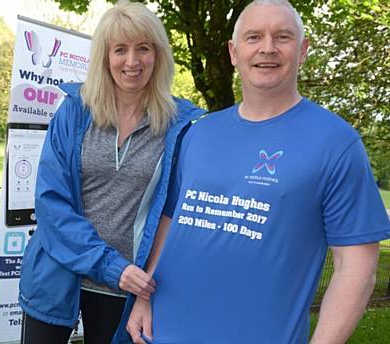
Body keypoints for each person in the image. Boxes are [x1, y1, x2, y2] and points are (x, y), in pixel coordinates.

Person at [120, 1, 390, 343]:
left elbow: (357, 267)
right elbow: (171, 221)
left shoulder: (335, 142)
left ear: (303, 50)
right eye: (253, 37)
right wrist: (145, 297)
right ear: (234, 52)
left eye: (282, 37)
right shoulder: (198, 132)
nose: (267, 48)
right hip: (165, 332)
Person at [18, 2, 205, 343]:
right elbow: (51, 204)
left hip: (128, 291)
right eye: (120, 50)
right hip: (57, 274)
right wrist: (112, 267)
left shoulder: (178, 125)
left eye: (143, 49)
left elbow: (171, 215)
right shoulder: (75, 111)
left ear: (158, 55)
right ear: (105, 57)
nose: (131, 62)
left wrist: (144, 289)